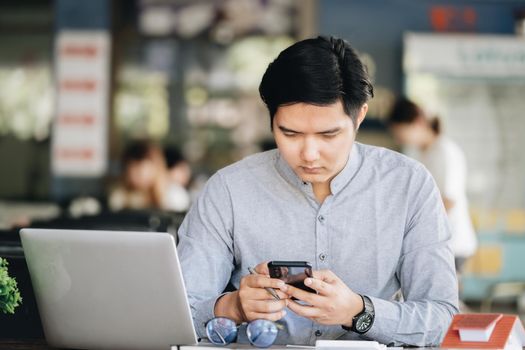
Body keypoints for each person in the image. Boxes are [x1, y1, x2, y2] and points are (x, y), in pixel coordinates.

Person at [177, 36, 458, 347]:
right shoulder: (229, 190)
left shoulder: (408, 185)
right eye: (290, 133)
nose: (309, 153)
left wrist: (359, 312)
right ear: (271, 121)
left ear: (360, 116)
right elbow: (177, 309)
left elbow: (441, 319)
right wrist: (233, 307)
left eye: (329, 134)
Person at [387, 98, 478, 272]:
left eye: (400, 132)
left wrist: (414, 228)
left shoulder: (445, 151)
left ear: (418, 122)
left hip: (452, 243)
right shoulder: (421, 153)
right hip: (434, 242)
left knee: (445, 296)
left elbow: (449, 200)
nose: (399, 139)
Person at [108, 140, 189, 212]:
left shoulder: (174, 195)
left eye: (142, 168)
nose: (139, 175)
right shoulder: (119, 196)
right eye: (134, 168)